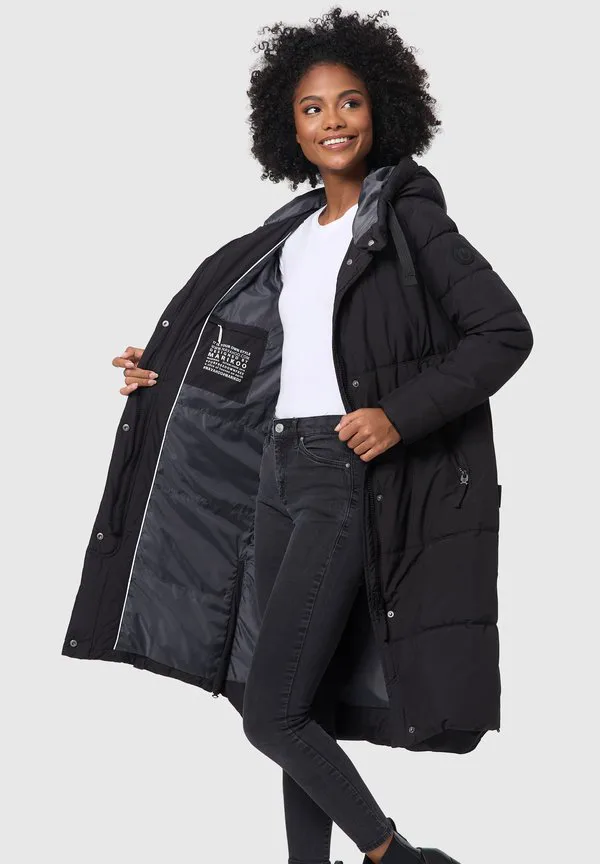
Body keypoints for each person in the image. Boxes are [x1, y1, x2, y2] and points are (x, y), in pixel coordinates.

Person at [88, 8, 531, 864]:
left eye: (350, 102)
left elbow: (504, 333)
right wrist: (163, 372)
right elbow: (246, 358)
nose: (333, 121)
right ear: (287, 128)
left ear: (382, 110)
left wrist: (398, 415)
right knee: (303, 699)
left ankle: (396, 855)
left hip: (343, 473)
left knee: (272, 711)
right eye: (312, 108)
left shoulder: (409, 220)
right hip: (277, 472)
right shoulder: (289, 237)